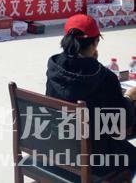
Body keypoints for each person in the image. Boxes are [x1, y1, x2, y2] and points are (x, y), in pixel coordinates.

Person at [46, 14, 136, 176]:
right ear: (95, 43)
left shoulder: (54, 68)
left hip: (56, 148)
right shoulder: (105, 77)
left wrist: (92, 62)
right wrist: (129, 97)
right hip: (93, 159)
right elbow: (123, 123)